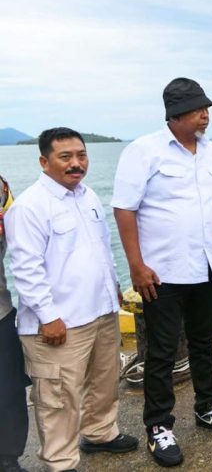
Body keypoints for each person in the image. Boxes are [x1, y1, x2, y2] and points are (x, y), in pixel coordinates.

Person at [112, 78, 212, 467]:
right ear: (175, 113)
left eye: (206, 108)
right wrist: (136, 265)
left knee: (203, 343)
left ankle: (207, 406)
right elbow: (124, 209)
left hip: (205, 267)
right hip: (162, 273)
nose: (205, 114)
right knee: (163, 352)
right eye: (198, 108)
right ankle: (158, 426)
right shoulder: (144, 151)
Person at [6, 128, 138, 472]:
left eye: (81, 155)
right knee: (58, 398)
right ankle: (60, 462)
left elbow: (100, 249)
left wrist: (113, 288)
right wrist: (48, 316)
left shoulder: (87, 195)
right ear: (44, 161)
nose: (76, 163)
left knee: (104, 382)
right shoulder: (30, 206)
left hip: (100, 311)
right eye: (65, 157)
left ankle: (100, 433)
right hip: (59, 321)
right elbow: (26, 268)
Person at [0, 174, 30, 472]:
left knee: (8, 391)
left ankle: (8, 457)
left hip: (0, 310)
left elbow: (19, 241)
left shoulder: (2, 188)